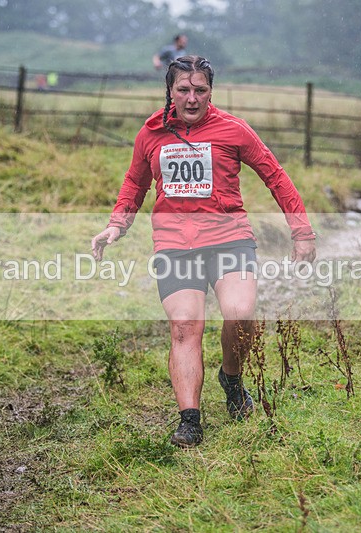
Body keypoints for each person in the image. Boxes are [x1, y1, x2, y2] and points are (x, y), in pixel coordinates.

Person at [91, 56, 316, 448]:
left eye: (200, 90)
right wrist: (116, 225)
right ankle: (190, 420)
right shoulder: (151, 133)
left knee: (240, 314)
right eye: (183, 90)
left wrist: (302, 232)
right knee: (184, 325)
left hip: (230, 239)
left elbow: (275, 176)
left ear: (211, 92)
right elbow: (135, 183)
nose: (192, 98)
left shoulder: (233, 129)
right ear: (170, 91)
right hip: (176, 244)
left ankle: (231, 377)